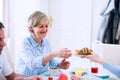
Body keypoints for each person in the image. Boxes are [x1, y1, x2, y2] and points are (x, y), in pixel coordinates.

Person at [15, 11, 72, 76]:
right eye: (41, 26)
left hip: (42, 76)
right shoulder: (24, 44)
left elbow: (50, 61)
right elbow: (32, 64)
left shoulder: (46, 42)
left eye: (46, 26)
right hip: (27, 78)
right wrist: (54, 53)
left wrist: (59, 65)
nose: (44, 29)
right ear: (31, 28)